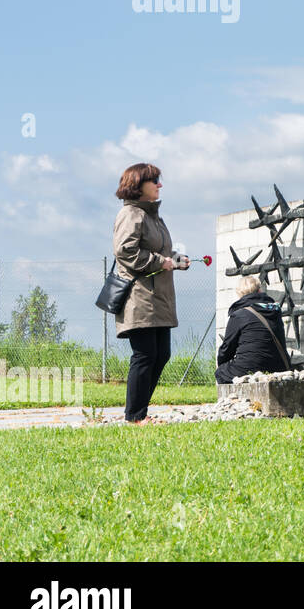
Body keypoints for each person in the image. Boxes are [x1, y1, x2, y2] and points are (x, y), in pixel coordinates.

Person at [112, 162, 189, 423]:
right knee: (145, 355)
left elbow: (161, 252)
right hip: (140, 298)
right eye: (154, 180)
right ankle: (134, 417)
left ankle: (139, 413)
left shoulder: (154, 216)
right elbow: (125, 252)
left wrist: (176, 259)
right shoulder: (131, 214)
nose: (160, 185)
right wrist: (160, 262)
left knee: (162, 354)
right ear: (138, 185)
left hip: (159, 298)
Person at [216, 275, 290, 383]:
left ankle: (236, 399)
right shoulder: (275, 311)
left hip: (250, 367)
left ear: (239, 294)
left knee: (221, 372)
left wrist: (223, 363)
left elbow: (227, 348)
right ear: (259, 290)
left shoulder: (239, 315)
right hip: (279, 365)